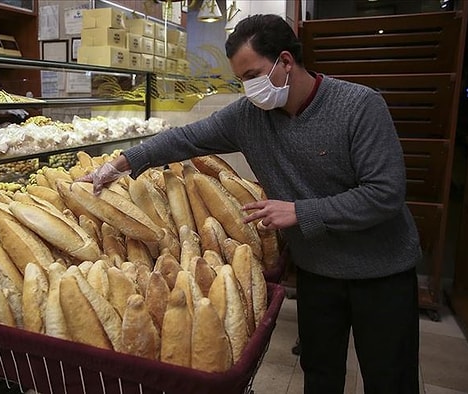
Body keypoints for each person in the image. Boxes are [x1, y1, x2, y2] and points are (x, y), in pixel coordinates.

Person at [81, 14, 422, 394]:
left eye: (252, 75)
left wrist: (298, 211)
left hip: (381, 269)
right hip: (318, 269)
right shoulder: (249, 117)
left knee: (389, 377)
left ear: (286, 62)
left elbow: (384, 194)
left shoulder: (359, 106)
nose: (249, 89)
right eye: (241, 80)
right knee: (320, 372)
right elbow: (186, 139)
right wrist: (118, 164)